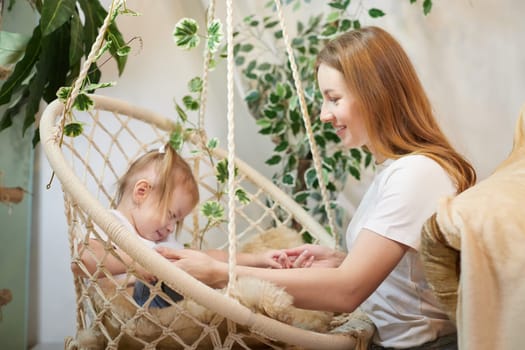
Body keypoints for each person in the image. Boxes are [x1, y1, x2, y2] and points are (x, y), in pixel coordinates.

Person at [156, 26, 477, 349]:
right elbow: (403, 274)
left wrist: (222, 273)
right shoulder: (398, 171)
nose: (324, 115)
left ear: (374, 94)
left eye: (333, 99)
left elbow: (348, 290)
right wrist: (340, 260)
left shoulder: (415, 173)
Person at [77, 143, 287, 308]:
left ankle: (242, 289)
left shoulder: (162, 239)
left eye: (176, 221)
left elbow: (211, 258)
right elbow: (84, 259)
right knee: (182, 278)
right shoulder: (111, 222)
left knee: (200, 265)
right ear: (141, 192)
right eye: (171, 215)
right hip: (135, 303)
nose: (171, 228)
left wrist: (258, 260)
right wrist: (141, 263)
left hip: (174, 305)